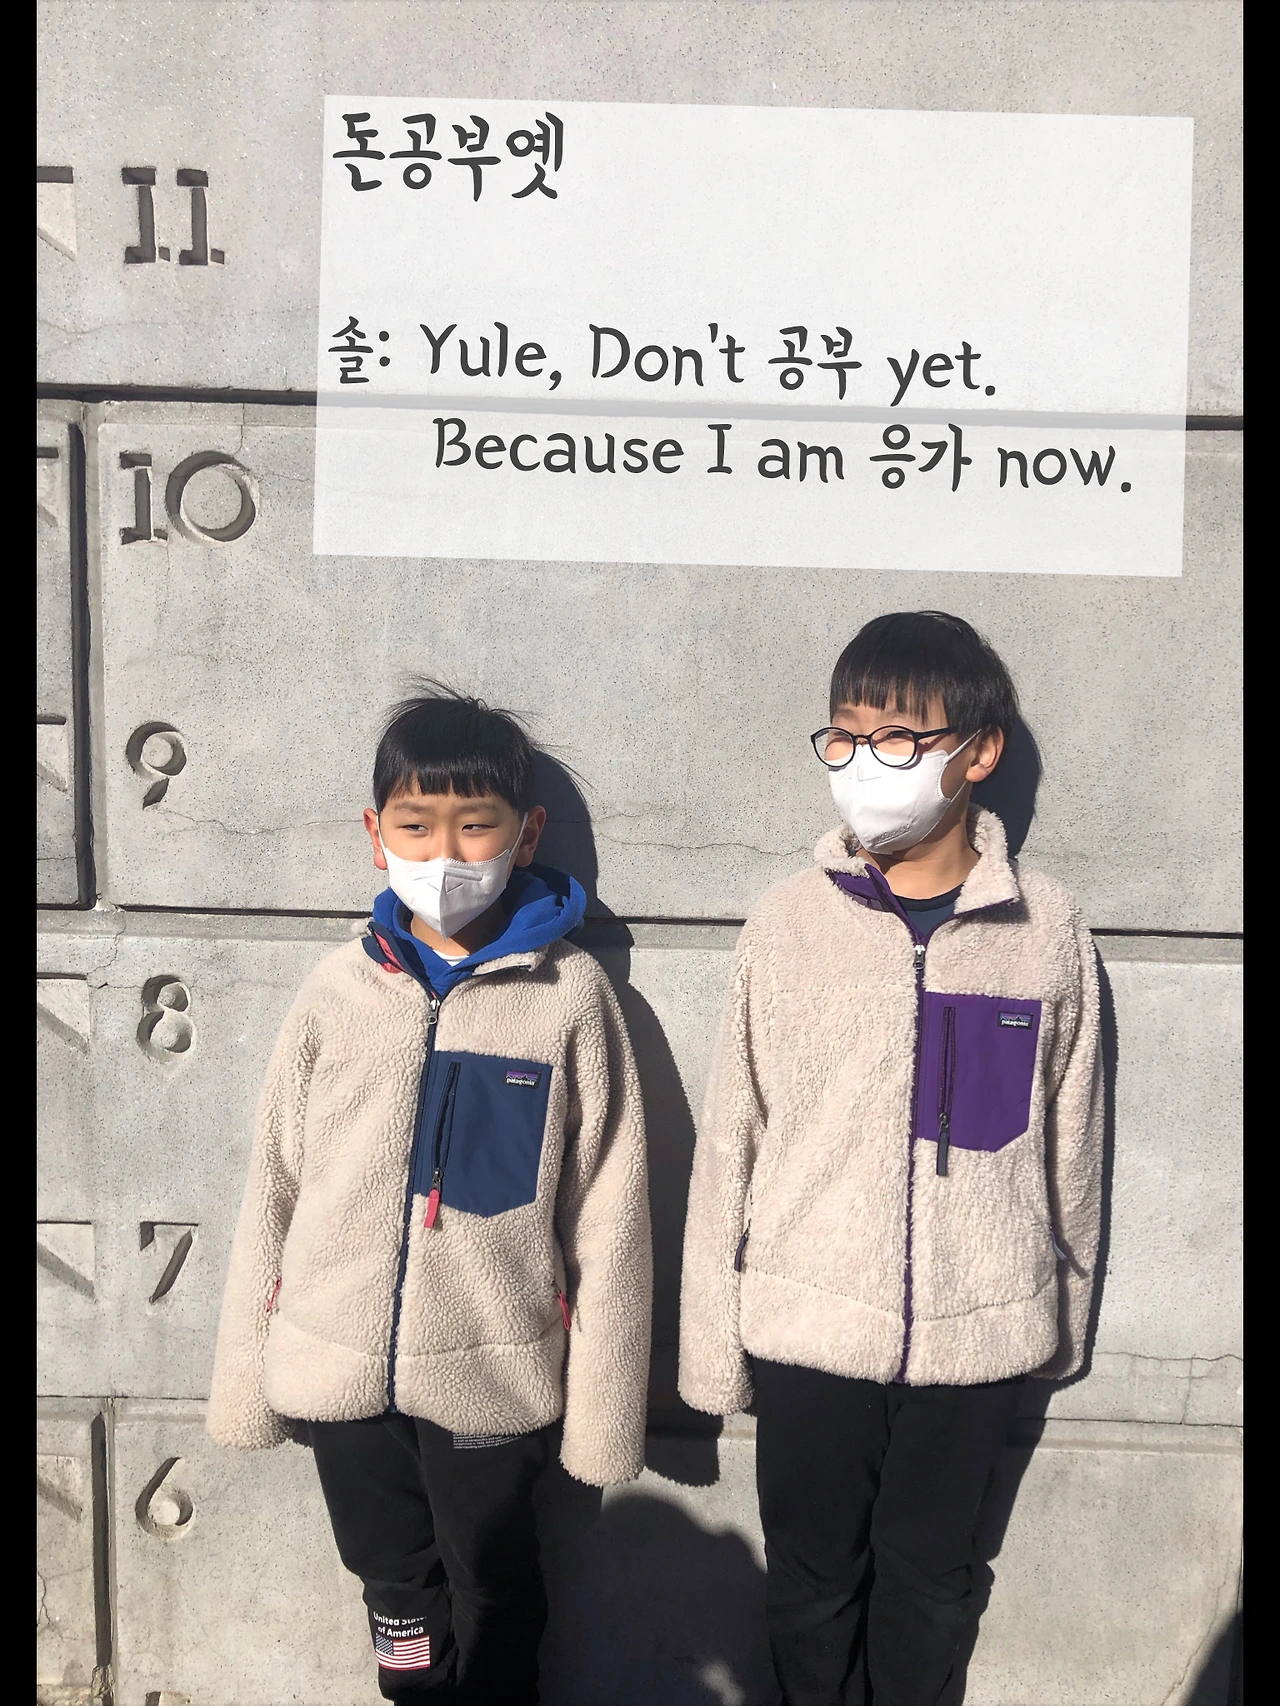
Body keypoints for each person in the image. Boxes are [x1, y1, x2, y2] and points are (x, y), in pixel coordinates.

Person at [678, 610, 1102, 1706]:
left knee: (933, 1584)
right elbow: (731, 1139)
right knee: (810, 1584)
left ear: (979, 750)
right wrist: (712, 1341)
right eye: (847, 736)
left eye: (900, 738)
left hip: (978, 1331)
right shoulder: (786, 923)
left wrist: (1056, 1317)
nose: (867, 763)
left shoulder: (1044, 929)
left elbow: (1072, 1142)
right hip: (808, 1326)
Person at [208, 686, 652, 1705]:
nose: (443, 852)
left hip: (489, 1366)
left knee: (495, 1580)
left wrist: (601, 1413)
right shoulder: (336, 992)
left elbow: (611, 1211)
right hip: (338, 1361)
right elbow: (274, 1184)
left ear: (524, 833)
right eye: (416, 825)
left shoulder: (567, 995)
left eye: (473, 825)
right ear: (376, 834)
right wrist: (249, 1372)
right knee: (391, 1581)